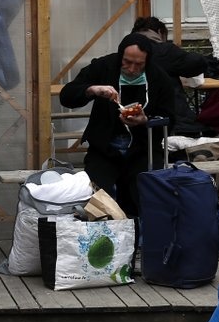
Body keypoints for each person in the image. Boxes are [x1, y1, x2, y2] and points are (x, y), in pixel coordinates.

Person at [59, 33, 175, 216]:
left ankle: (141, 229)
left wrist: (145, 120)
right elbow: (67, 96)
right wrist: (92, 90)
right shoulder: (104, 67)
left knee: (145, 192)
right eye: (127, 62)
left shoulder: (159, 78)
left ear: (147, 62)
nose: (132, 69)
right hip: (105, 148)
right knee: (98, 197)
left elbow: (170, 118)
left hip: (143, 149)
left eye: (139, 64)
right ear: (120, 55)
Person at [131, 17, 210, 135]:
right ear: (159, 32)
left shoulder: (125, 53)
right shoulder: (164, 51)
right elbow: (196, 64)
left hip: (133, 120)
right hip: (171, 124)